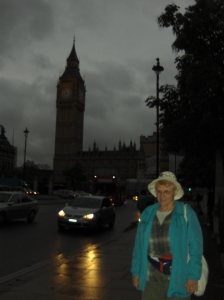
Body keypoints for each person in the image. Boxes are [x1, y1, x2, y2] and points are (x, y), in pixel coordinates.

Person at [131, 171, 203, 300]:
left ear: (175, 191)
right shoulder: (148, 213)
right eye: (159, 191)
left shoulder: (185, 213)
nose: (161, 195)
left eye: (166, 191)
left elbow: (196, 247)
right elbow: (139, 246)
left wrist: (193, 275)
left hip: (178, 276)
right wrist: (136, 272)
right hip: (151, 275)